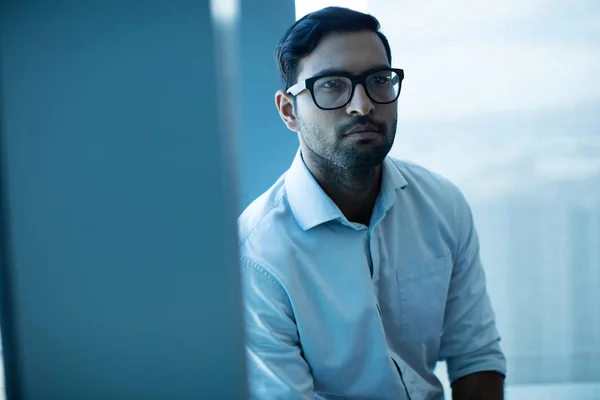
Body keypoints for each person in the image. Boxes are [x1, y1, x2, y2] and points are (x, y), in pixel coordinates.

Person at [238, 6, 506, 400]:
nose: (362, 105)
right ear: (289, 111)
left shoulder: (441, 205)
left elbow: (476, 359)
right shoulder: (257, 253)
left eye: (378, 80)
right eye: (332, 85)